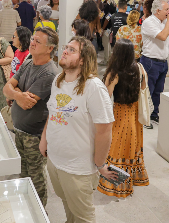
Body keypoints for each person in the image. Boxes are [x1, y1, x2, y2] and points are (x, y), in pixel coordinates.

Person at [40, 36, 116, 222]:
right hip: (55, 161)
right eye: (66, 47)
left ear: (83, 59)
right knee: (68, 206)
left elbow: (105, 130)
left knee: (83, 216)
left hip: (78, 168)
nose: (64, 51)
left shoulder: (94, 87)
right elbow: (53, 112)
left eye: (72, 50)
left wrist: (99, 164)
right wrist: (44, 140)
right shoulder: (59, 79)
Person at [3, 27, 59, 206]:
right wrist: (18, 94)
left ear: (50, 48)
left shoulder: (50, 72)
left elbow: (29, 102)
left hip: (34, 135)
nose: (32, 43)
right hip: (19, 130)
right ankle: (26, 207)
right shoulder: (28, 61)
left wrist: (15, 92)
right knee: (23, 173)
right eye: (33, 39)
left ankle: (39, 212)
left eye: (38, 41)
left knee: (36, 178)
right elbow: (7, 88)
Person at [98, 39, 149, 198]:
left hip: (119, 113)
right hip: (134, 113)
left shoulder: (114, 73)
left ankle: (117, 182)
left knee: (116, 147)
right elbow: (143, 87)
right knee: (132, 146)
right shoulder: (139, 67)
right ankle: (132, 177)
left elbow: (106, 96)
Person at [140, 0, 169, 124]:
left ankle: (154, 113)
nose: (168, 12)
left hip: (163, 62)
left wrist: (168, 22)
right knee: (148, 90)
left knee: (158, 91)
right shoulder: (149, 22)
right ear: (158, 10)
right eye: (166, 9)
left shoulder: (163, 22)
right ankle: (145, 116)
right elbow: (163, 37)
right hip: (150, 62)